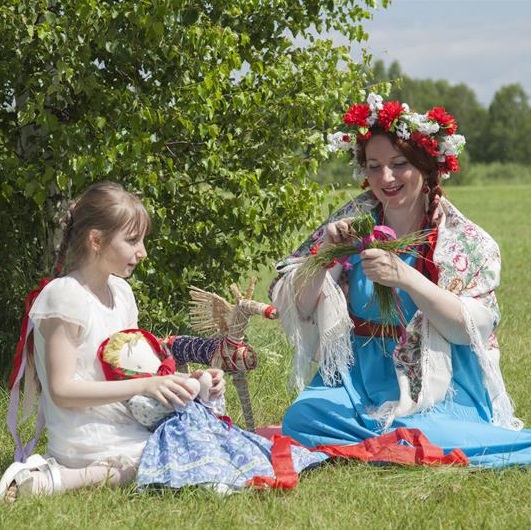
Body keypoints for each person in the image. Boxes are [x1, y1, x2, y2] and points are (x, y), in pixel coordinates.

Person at [0, 181, 323, 501]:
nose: (142, 252)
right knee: (173, 456)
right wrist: (145, 387)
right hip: (86, 431)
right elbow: (62, 391)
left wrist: (191, 383)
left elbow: (138, 372)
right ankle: (54, 479)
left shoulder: (121, 292)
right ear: (96, 240)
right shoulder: (65, 296)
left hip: (127, 418)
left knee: (205, 442)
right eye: (132, 241)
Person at [271, 92, 531, 468]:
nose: (386, 178)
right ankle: (395, 441)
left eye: (399, 164)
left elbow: (467, 329)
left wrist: (407, 278)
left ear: (426, 167)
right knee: (302, 418)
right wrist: (326, 257)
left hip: (436, 381)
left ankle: (405, 436)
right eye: (374, 166)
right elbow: (298, 304)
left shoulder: (464, 241)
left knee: (428, 430)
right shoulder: (352, 223)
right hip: (358, 379)